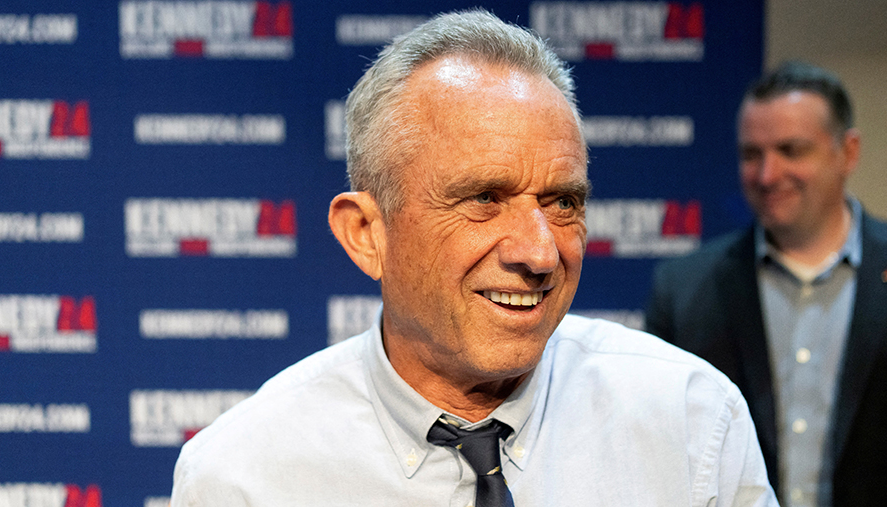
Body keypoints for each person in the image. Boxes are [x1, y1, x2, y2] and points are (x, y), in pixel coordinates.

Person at [171, 10, 776, 506]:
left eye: (563, 202)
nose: (540, 252)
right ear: (366, 234)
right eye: (484, 199)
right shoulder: (240, 477)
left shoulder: (693, 423)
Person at [646, 61, 887, 507]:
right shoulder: (684, 291)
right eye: (751, 154)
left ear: (848, 152)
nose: (767, 175)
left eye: (791, 150)